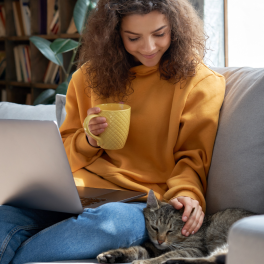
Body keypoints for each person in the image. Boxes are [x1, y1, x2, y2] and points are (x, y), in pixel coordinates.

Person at [0, 0, 225, 263]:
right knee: (4, 216)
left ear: (176, 28)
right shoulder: (87, 77)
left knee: (112, 224)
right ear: (114, 34)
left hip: (138, 202)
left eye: (159, 34)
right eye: (133, 37)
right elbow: (60, 154)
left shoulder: (200, 82)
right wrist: (88, 140)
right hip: (76, 191)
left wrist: (187, 195)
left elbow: (193, 158)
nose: (149, 47)